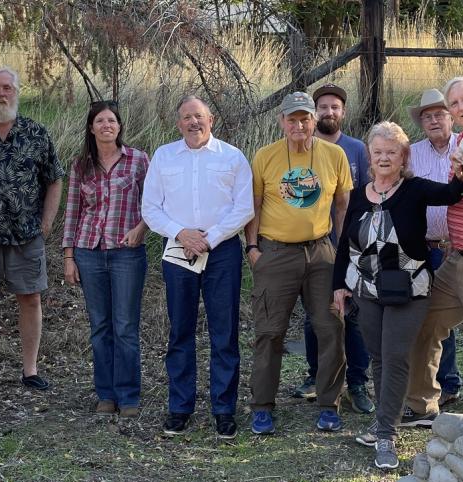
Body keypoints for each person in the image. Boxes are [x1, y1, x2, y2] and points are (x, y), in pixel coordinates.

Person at [335, 121, 463, 469]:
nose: (383, 157)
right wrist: (338, 285)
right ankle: (383, 421)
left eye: (391, 152)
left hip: (410, 287)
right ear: (369, 156)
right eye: (377, 152)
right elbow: (346, 244)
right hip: (366, 288)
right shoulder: (361, 194)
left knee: (395, 356)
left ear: (404, 156)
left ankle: (386, 436)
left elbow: (454, 194)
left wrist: (462, 166)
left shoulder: (415, 189)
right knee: (379, 356)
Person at [142, 95, 254, 440]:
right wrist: (182, 233)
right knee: (180, 331)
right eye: (187, 118)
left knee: (224, 332)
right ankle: (180, 407)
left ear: (212, 119)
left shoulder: (232, 157)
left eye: (199, 116)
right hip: (178, 250)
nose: (193, 122)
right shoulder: (164, 156)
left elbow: (244, 207)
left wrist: (210, 237)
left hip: (221, 252)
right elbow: (150, 207)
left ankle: (223, 409)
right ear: (179, 124)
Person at [244, 92, 350, 436]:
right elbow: (254, 206)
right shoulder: (265, 156)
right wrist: (253, 248)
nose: (299, 125)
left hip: (321, 252)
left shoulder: (334, 155)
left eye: (305, 119)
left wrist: (341, 251)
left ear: (314, 121)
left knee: (331, 327)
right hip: (275, 253)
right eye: (292, 119)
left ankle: (329, 405)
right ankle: (262, 406)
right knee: (270, 332)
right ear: (282, 122)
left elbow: (342, 206)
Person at [0, 66, 65, 393]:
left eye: (7, 87)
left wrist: (46, 222)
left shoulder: (36, 133)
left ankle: (30, 369)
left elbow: (54, 178)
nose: (1, 94)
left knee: (30, 298)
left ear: (16, 91)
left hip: (26, 235)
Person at [405, 76, 463, 420]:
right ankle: (420, 405)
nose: (460, 107)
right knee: (423, 322)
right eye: (454, 103)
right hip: (455, 258)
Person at [62, 101, 149, 418]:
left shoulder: (138, 160)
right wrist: (69, 255)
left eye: (112, 120)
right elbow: (73, 211)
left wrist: (142, 228)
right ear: (91, 128)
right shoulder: (80, 165)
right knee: (100, 327)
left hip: (127, 253)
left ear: (119, 126)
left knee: (125, 326)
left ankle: (128, 396)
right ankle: (105, 395)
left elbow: (154, 202)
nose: (106, 125)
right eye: (100, 121)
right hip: (89, 251)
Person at [293, 84, 374, 415]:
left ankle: (357, 382)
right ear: (313, 114)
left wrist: (358, 244)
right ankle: (316, 376)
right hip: (310, 246)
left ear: (343, 112)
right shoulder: (300, 151)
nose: (329, 112)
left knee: (352, 315)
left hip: (347, 245)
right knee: (315, 317)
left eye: (335, 107)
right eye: (322, 107)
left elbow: (370, 195)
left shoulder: (356, 150)